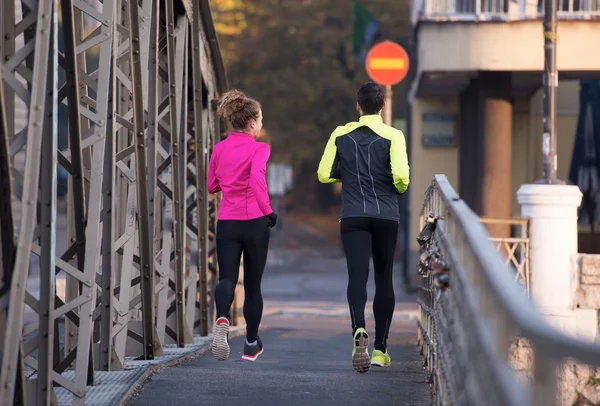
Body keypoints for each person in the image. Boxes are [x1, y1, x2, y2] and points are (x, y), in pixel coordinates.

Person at [316, 82, 410, 373]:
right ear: (382, 107)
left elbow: (323, 175)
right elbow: (402, 179)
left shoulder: (340, 134)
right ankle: (381, 350)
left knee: (357, 276)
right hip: (386, 215)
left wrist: (348, 179)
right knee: (384, 279)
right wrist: (391, 187)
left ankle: (359, 329)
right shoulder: (394, 136)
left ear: (358, 106)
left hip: (353, 214)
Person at [207, 89, 277, 362]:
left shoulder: (219, 148)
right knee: (253, 284)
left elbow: (211, 185)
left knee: (226, 278)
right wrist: (269, 212)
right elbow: (257, 182)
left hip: (227, 221)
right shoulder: (260, 148)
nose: (261, 124)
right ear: (251, 123)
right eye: (260, 120)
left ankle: (222, 317)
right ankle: (250, 342)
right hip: (255, 222)